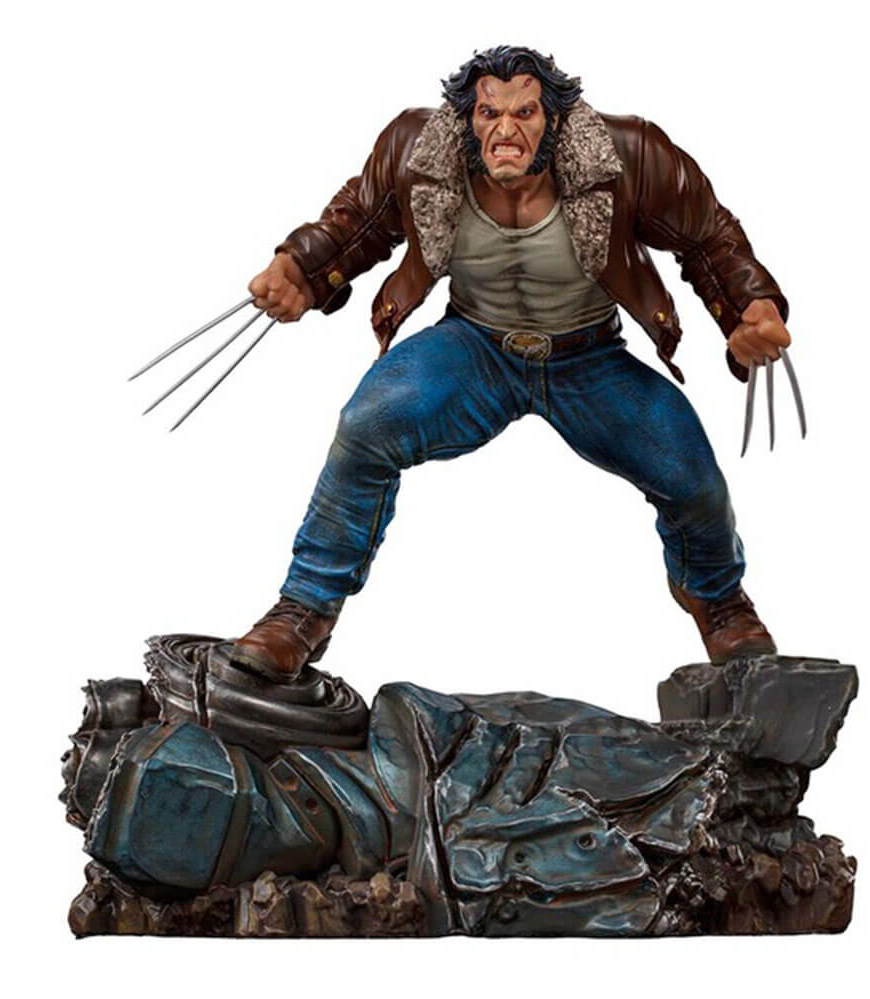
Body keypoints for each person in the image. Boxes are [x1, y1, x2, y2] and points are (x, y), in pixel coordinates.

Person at [231, 45, 793, 683]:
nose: (505, 130)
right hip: (475, 347)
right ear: (466, 120)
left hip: (588, 356)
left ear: (552, 120)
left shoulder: (627, 154)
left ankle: (720, 601)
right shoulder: (418, 150)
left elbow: (709, 235)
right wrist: (298, 269)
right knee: (366, 425)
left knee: (689, 472)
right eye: (488, 113)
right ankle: (304, 607)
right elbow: (357, 220)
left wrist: (750, 308)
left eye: (524, 113)